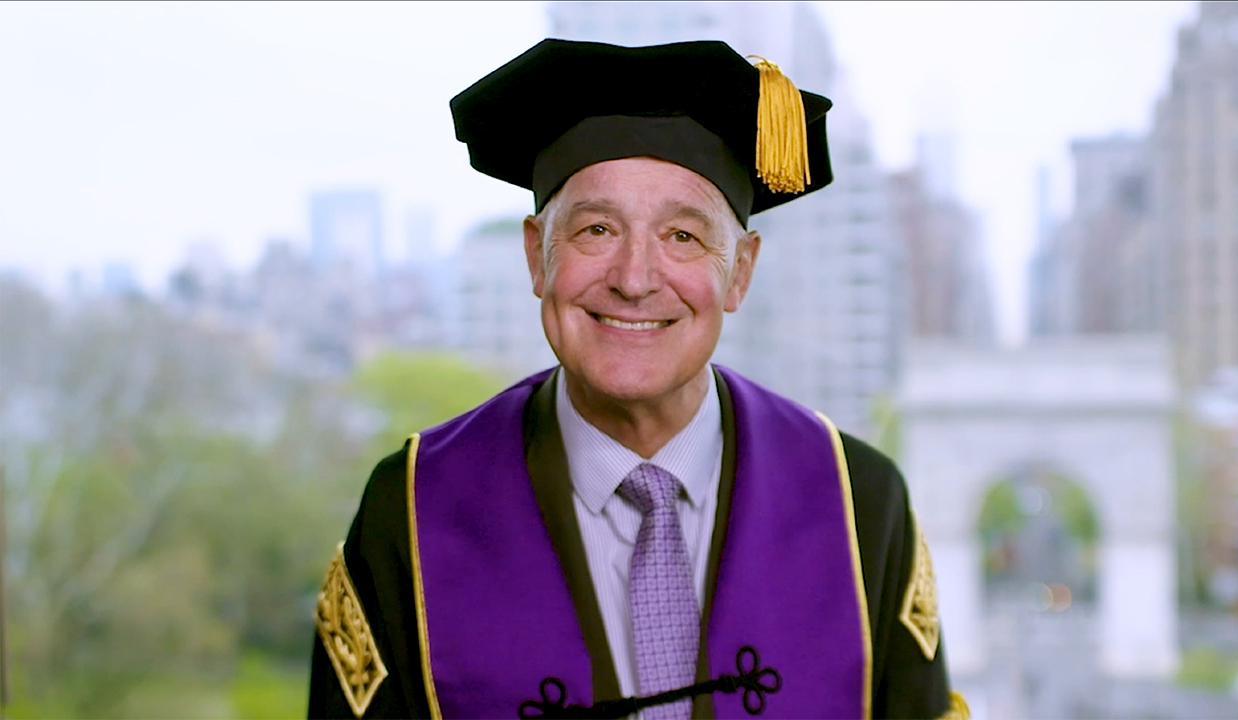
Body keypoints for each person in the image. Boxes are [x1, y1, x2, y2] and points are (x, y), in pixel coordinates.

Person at [308, 39, 967, 720]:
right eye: (596, 230)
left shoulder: (857, 505)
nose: (633, 278)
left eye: (683, 237)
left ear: (739, 271)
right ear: (538, 256)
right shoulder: (416, 511)